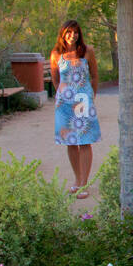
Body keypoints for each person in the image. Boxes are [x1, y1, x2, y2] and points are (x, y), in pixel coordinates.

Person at [50, 20, 101, 198]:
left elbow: (94, 76)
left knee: (84, 141)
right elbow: (56, 79)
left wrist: (90, 96)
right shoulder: (56, 54)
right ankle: (77, 180)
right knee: (71, 142)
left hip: (83, 102)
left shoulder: (87, 51)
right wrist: (63, 96)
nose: (73, 35)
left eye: (76, 32)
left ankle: (84, 184)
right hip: (65, 104)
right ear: (63, 34)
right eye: (69, 32)